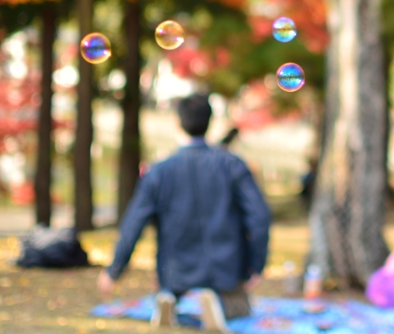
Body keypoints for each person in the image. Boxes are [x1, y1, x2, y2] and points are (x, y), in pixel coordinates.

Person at [98, 93, 271, 330]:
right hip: (225, 270)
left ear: (177, 122)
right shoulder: (232, 165)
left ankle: (171, 301)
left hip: (175, 271)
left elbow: (133, 223)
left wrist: (114, 270)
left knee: (172, 288)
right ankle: (216, 305)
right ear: (210, 122)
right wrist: (255, 264)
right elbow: (259, 217)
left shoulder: (158, 171)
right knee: (239, 308)